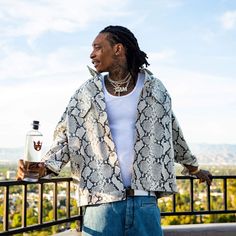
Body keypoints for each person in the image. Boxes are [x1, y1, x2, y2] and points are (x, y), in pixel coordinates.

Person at [17, 25, 212, 236]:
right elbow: (66, 136)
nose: (92, 54)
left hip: (145, 202)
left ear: (118, 49)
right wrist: (42, 168)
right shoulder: (86, 93)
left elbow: (172, 132)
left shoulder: (155, 89)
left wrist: (194, 170)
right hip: (100, 204)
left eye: (98, 48)